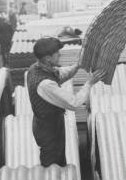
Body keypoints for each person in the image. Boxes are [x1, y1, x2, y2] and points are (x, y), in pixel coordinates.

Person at [27, 37, 106, 167]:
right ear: (47, 58)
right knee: (53, 163)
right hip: (48, 129)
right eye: (57, 53)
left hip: (46, 123)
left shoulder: (36, 68)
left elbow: (61, 74)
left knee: (58, 157)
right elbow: (74, 103)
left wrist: (78, 65)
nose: (60, 54)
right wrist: (90, 83)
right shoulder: (45, 84)